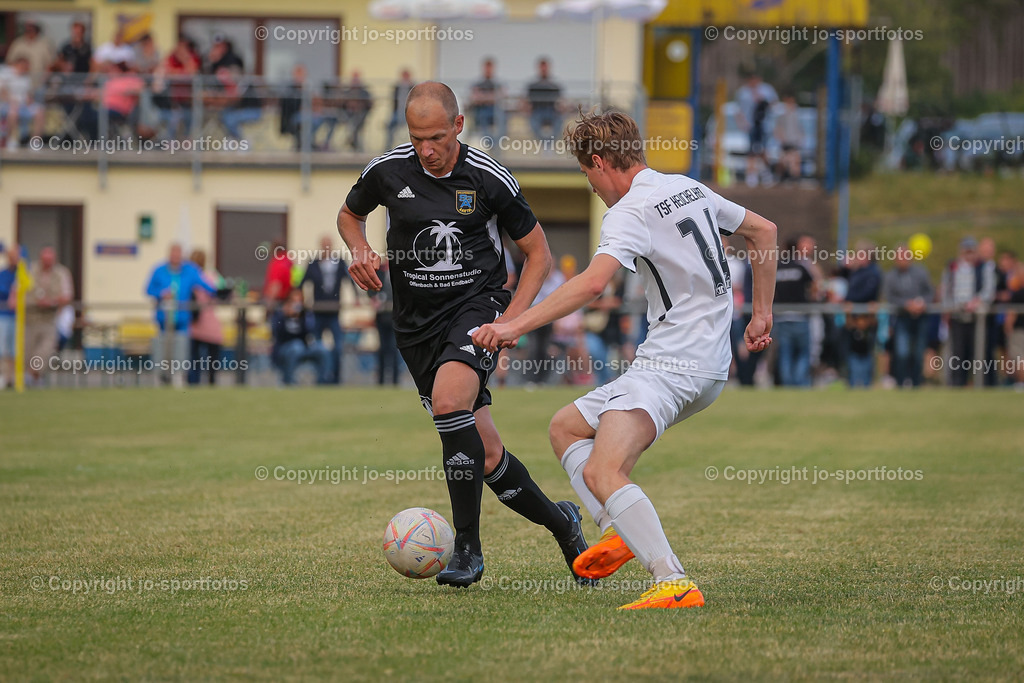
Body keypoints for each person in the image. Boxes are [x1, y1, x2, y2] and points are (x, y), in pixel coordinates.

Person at [472, 110, 777, 610]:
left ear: (598, 161)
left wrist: (514, 325)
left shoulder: (629, 210)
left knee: (603, 471)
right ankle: (618, 529)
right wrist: (761, 314)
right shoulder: (687, 187)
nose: (590, 187)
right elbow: (764, 231)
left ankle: (673, 582)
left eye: (585, 173)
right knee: (566, 427)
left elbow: (593, 283)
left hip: (673, 366)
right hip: (706, 365)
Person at [337, 81, 589, 588]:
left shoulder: (489, 178)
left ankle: (468, 550)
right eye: (417, 138)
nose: (426, 150)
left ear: (458, 125)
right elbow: (349, 215)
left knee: (451, 403)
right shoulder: (387, 170)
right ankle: (564, 524)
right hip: (414, 326)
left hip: (478, 307)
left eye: (436, 137)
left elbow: (538, 255)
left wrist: (511, 320)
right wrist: (359, 249)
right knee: (487, 454)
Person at [145, 244, 216, 387]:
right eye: (173, 253)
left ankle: (178, 378)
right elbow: (148, 289)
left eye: (178, 254)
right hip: (163, 320)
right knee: (162, 349)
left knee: (181, 350)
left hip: (182, 320)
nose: (176, 257)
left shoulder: (189, 271)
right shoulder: (159, 270)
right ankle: (159, 378)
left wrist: (220, 292)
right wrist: (161, 294)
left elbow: (207, 286)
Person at [941, 237, 995, 386]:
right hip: (958, 316)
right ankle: (957, 384)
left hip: (978, 318)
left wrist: (976, 301)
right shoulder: (952, 267)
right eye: (966, 251)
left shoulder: (983, 267)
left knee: (980, 352)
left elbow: (988, 290)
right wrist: (949, 307)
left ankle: (983, 384)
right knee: (958, 353)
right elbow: (946, 290)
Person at [882, 245, 934, 388]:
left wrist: (921, 303)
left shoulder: (921, 272)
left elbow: (930, 292)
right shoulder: (891, 276)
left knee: (918, 352)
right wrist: (905, 304)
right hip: (902, 319)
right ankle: (901, 382)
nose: (902, 260)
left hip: (920, 318)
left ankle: (916, 383)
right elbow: (889, 297)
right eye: (899, 257)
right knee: (902, 352)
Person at [300, 236, 349, 383]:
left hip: (334, 312)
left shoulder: (339, 262)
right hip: (318, 312)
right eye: (324, 245)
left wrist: (358, 299)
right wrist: (300, 300)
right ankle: (320, 378)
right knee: (317, 347)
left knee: (338, 347)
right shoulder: (314, 263)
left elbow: (350, 280)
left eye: (329, 245)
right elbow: (303, 283)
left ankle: (336, 378)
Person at [774, 236, 820, 386]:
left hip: (781, 316)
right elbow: (814, 284)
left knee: (785, 353)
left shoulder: (778, 267)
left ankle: (787, 384)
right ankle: (800, 383)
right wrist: (812, 298)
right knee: (803, 352)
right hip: (800, 315)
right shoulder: (801, 267)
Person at [24, 247, 74, 385]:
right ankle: (30, 378)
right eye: (45, 260)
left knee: (46, 350)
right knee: (27, 351)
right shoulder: (30, 270)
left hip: (49, 319)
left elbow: (67, 296)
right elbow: (19, 291)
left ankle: (34, 375)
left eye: (50, 261)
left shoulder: (61, 273)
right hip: (30, 318)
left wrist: (51, 302)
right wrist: (35, 301)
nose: (47, 263)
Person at [271, 288, 331, 385]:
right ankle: (288, 380)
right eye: (293, 301)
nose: (296, 304)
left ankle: (323, 381)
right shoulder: (280, 313)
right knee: (296, 346)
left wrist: (301, 318)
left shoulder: (305, 313)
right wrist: (285, 316)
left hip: (304, 346)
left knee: (323, 349)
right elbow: (276, 333)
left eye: (299, 301)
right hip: (285, 347)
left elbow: (310, 331)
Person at [187, 249, 225, 386]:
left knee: (194, 359)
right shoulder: (212, 276)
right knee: (211, 359)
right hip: (206, 323)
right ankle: (211, 382)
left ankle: (194, 383)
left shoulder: (191, 277)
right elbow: (223, 293)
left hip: (196, 323)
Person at [370, 261, 400, 385]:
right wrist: (374, 298)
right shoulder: (380, 271)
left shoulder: (399, 271)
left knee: (393, 348)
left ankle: (395, 380)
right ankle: (381, 380)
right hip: (382, 317)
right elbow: (371, 288)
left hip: (395, 317)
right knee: (382, 348)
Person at [5, 20, 55, 90]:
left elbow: (50, 64)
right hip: (20, 83)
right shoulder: (18, 43)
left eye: (31, 29)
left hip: (38, 82)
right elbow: (10, 61)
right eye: (27, 29)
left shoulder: (45, 44)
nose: (28, 31)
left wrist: (45, 78)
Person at [525, 58, 562, 141]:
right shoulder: (533, 85)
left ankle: (550, 143)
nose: (544, 70)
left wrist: (560, 108)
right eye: (542, 68)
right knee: (533, 122)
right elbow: (526, 101)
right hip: (537, 111)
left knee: (559, 120)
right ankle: (543, 142)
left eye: (545, 67)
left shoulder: (554, 85)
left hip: (552, 111)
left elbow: (560, 101)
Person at [468, 58, 503, 140]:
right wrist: (490, 97)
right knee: (482, 117)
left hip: (495, 109)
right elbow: (475, 97)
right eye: (487, 67)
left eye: (490, 68)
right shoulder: (478, 83)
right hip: (482, 110)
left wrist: (484, 97)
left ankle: (495, 142)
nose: (488, 70)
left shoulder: (498, 83)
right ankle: (488, 141)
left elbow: (500, 96)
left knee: (502, 118)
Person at [0, 245, 19, 388]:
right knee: (2, 348)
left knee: (15, 349)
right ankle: (3, 376)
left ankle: (12, 378)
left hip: (19, 317)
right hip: (4, 315)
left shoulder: (23, 273)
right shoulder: (3, 274)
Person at [385, 68, 415, 149]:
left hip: (410, 113)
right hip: (397, 112)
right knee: (389, 126)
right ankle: (387, 147)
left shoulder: (413, 87)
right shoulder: (397, 87)